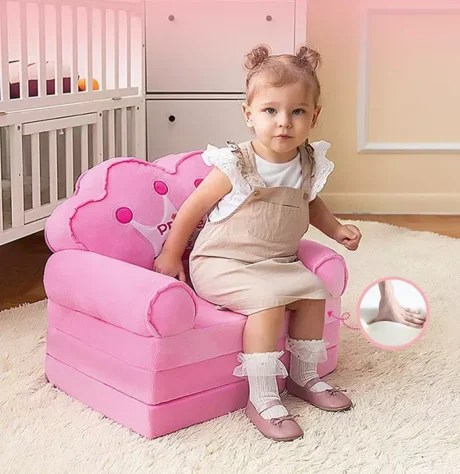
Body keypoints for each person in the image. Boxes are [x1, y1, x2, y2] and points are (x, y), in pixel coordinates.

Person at [154, 44, 362, 441]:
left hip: (277, 262)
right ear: (249, 114)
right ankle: (263, 397)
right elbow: (192, 209)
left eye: (297, 111)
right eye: (270, 110)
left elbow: (311, 203)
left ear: (314, 116)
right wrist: (170, 254)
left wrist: (336, 229)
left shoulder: (308, 162)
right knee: (267, 302)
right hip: (222, 263)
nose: (283, 122)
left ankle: (304, 376)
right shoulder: (236, 164)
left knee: (313, 292)